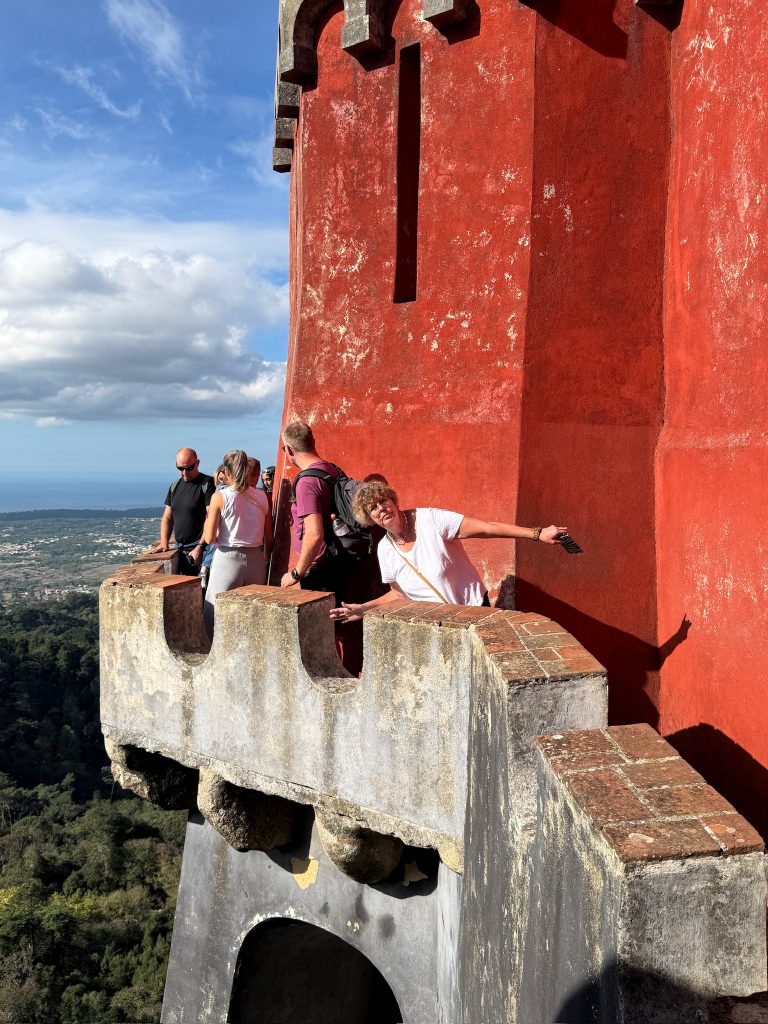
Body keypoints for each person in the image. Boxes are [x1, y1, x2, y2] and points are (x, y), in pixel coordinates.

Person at [329, 480, 567, 622]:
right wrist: (365, 609)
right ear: (369, 518)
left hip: (472, 612)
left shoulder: (431, 520)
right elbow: (399, 595)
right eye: (373, 508)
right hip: (436, 625)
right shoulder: (385, 550)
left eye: (383, 500)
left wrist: (537, 533)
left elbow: (486, 528)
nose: (381, 508)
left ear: (393, 500)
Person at [190, 450, 273, 636]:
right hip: (256, 559)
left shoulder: (221, 496)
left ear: (227, 472)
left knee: (214, 614)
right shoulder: (263, 497)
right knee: (253, 616)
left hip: (228, 558)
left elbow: (209, 538)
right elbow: (269, 537)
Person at [279, 422, 352, 604]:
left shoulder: (307, 482)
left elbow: (314, 534)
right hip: (339, 558)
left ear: (289, 449)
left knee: (319, 620)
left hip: (320, 567)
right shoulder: (332, 469)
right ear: (313, 441)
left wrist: (296, 573)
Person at [151, 448, 215, 576]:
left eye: (188, 468)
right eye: (180, 468)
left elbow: (210, 518)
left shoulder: (208, 484)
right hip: (180, 549)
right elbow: (167, 518)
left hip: (200, 550)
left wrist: (200, 547)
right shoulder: (175, 486)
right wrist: (164, 542)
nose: (184, 473)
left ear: (197, 463)